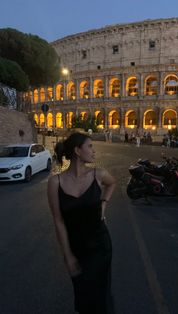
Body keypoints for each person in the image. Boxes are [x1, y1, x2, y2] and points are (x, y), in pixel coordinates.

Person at [47, 132, 116, 314]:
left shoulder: (98, 174)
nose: (94, 151)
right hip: (77, 249)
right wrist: (68, 256)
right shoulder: (55, 182)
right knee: (83, 295)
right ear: (77, 151)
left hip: (101, 245)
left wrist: (103, 203)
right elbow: (58, 221)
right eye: (90, 146)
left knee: (101, 295)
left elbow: (113, 184)